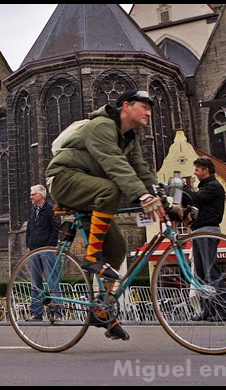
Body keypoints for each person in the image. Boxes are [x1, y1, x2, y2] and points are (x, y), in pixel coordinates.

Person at [46, 90, 166, 341]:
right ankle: (91, 258)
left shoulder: (129, 139)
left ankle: (101, 311)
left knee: (118, 247)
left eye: (150, 108)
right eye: (143, 106)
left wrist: (163, 198)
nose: (148, 112)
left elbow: (141, 170)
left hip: (90, 191)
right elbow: (113, 162)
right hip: (64, 178)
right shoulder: (102, 126)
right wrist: (142, 197)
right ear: (125, 106)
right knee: (110, 189)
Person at [182, 157, 226, 322]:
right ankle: (209, 310)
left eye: (197, 170)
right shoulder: (207, 186)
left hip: (207, 230)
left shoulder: (213, 186)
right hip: (200, 231)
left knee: (210, 271)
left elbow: (195, 199)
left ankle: (225, 310)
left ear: (206, 170)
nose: (195, 173)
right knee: (201, 273)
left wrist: (182, 187)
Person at [25, 184, 62, 322]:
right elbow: (29, 227)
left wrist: (49, 246)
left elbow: (55, 229)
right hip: (33, 250)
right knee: (35, 283)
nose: (30, 197)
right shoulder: (32, 210)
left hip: (46, 250)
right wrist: (28, 244)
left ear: (40, 195)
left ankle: (57, 313)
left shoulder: (51, 210)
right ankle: (37, 313)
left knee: (52, 281)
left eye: (32, 194)